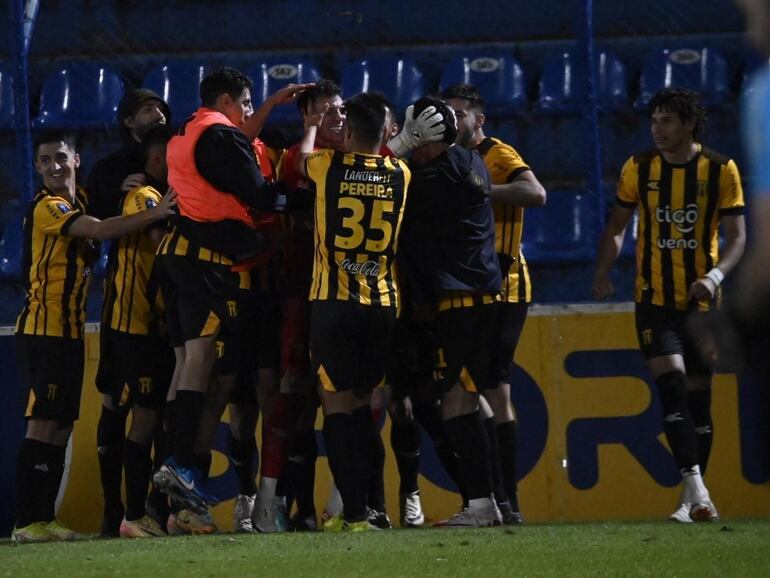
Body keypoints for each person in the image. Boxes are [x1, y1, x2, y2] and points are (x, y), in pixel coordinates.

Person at [12, 131, 177, 544]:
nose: (54, 166)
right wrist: (157, 213)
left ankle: (42, 519)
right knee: (43, 426)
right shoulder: (49, 207)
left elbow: (108, 207)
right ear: (36, 168)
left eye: (60, 158)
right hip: (44, 328)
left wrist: (131, 188)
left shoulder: (80, 199)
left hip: (67, 331)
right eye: (45, 160)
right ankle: (27, 521)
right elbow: (104, 232)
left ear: (77, 160)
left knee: (61, 426)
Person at [592, 88, 746, 523]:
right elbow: (618, 226)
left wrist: (714, 276)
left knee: (699, 397)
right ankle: (696, 486)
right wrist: (604, 270)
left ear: (689, 124)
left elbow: (738, 238)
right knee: (672, 385)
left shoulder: (720, 170)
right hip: (653, 300)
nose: (658, 129)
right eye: (654, 121)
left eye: (667, 121)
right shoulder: (638, 169)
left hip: (703, 304)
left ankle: (694, 496)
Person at [153, 67, 279, 512]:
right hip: (205, 258)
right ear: (226, 100)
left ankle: (172, 482)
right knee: (200, 362)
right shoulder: (220, 136)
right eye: (245, 102)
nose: (247, 111)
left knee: (188, 362)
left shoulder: (187, 130)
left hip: (182, 253)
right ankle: (181, 465)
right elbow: (259, 194)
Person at [296, 92, 412, 532]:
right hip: (381, 304)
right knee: (366, 404)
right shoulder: (401, 172)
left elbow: (301, 159)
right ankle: (375, 508)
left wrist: (312, 125)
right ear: (386, 133)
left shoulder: (328, 167)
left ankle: (354, 514)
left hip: (334, 303)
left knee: (338, 407)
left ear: (346, 131)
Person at [442, 83, 547, 524]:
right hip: (470, 289)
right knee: (479, 389)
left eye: (459, 113)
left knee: (489, 389)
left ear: (478, 119)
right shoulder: (445, 159)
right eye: (445, 113)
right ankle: (499, 500)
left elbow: (535, 193)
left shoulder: (496, 154)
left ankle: (504, 499)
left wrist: (483, 190)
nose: (451, 121)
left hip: (506, 286)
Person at [400, 96, 503, 528]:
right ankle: (490, 502)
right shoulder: (471, 161)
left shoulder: (433, 179)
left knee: (458, 403)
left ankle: (481, 505)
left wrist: (393, 150)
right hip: (482, 297)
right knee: (471, 402)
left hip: (462, 302)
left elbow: (394, 187)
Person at [88, 88, 171, 536]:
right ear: (127, 122)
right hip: (131, 316)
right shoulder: (114, 174)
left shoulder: (160, 182)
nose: (156, 115)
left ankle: (142, 511)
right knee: (129, 410)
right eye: (146, 110)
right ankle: (122, 511)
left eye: (160, 109)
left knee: (150, 411)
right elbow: (97, 226)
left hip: (148, 318)